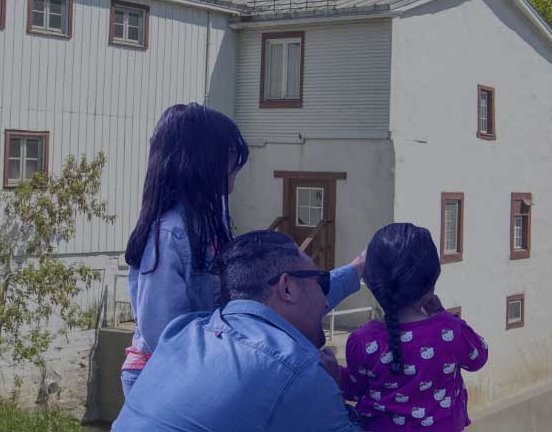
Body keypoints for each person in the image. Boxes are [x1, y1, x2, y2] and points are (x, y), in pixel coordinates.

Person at [120, 103, 361, 396]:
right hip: (161, 377)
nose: (237, 167)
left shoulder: (211, 218)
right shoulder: (170, 232)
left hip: (199, 370)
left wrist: (357, 270)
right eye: (230, 157)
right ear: (199, 162)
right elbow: (164, 334)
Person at [114, 230, 365, 432]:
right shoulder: (297, 371)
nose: (325, 300)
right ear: (287, 288)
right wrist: (336, 393)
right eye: (320, 281)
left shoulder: (183, 332)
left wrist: (358, 268)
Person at [338, 223, 487, 432]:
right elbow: (478, 358)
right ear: (432, 281)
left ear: (372, 283)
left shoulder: (362, 341)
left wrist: (331, 372)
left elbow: (354, 390)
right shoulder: (449, 331)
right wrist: (443, 314)